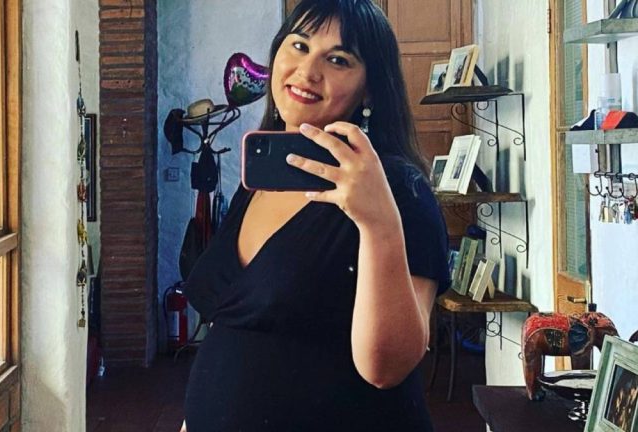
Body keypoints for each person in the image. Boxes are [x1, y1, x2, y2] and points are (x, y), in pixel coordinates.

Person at [182, 1, 450, 430]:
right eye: (299, 46)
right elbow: (229, 330)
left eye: (338, 59)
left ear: (370, 89)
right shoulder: (258, 180)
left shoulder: (401, 189)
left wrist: (378, 222)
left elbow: (387, 368)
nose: (307, 71)